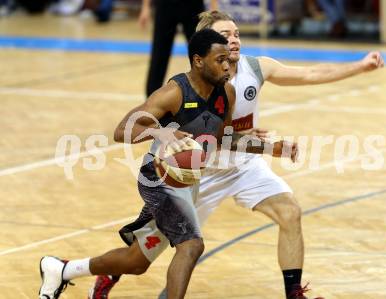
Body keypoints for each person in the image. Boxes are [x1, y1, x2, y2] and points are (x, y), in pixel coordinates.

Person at [88, 10, 384, 299]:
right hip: (196, 173)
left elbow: (310, 73)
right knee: (142, 256)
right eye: (225, 35)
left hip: (243, 166)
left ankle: (294, 293)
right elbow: (137, 128)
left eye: (237, 33)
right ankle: (107, 271)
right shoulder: (192, 84)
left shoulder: (257, 68)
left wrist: (360, 66)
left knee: (290, 213)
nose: (234, 39)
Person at [38, 28, 298, 299]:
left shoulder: (226, 94)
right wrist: (160, 131)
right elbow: (122, 129)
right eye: (219, 60)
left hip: (187, 179)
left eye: (228, 60)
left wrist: (271, 148)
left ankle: (62, 270)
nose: (227, 66)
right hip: (159, 177)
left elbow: (223, 139)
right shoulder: (174, 92)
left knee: (136, 261)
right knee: (191, 246)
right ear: (198, 61)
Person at [139, 0, 205, 97]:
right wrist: (145, 7)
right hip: (166, 5)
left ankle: (206, 96)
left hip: (193, 6)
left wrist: (214, 8)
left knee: (200, 53)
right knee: (159, 54)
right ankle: (151, 99)